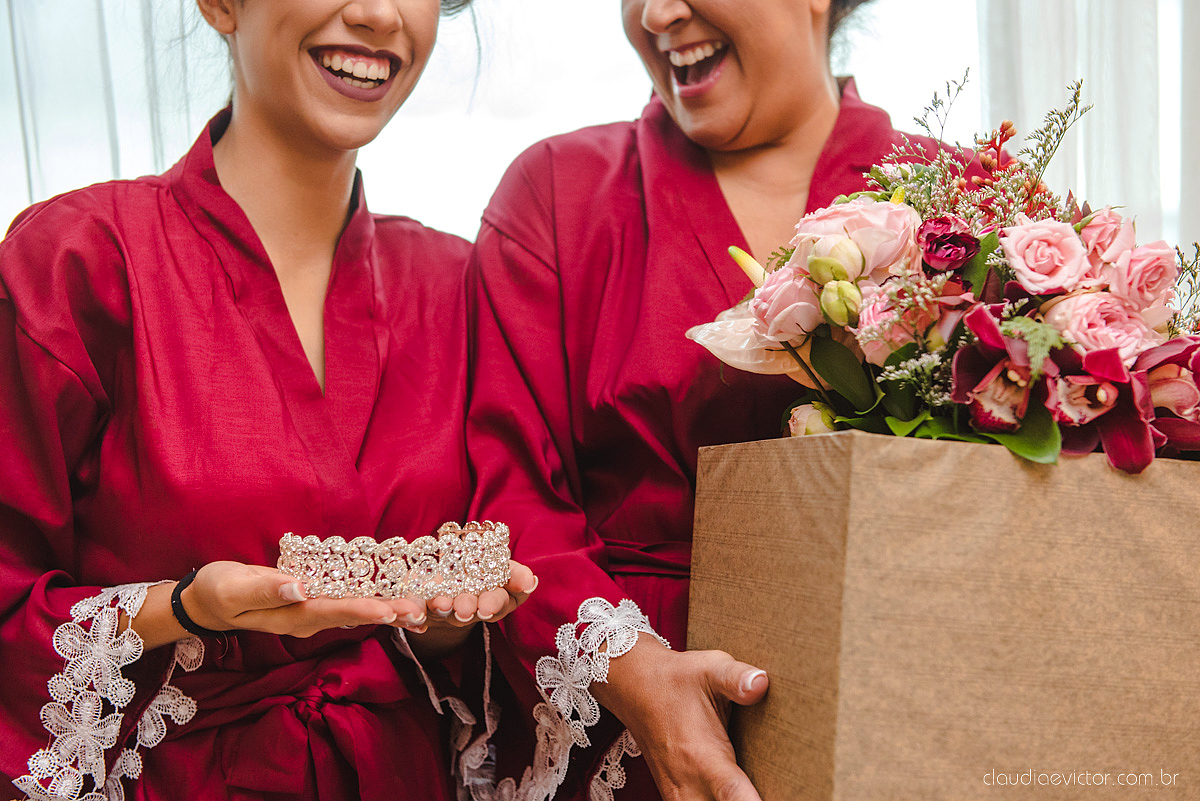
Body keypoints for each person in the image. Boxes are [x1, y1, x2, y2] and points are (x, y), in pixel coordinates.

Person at [0, 1, 536, 799]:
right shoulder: (76, 260)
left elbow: (497, 594)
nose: (378, 14)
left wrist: (451, 624)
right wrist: (184, 607)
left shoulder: (458, 283)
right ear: (220, 4)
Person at [462, 0, 983, 799]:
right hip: (623, 739)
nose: (657, 12)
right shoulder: (557, 196)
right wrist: (635, 672)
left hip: (902, 720)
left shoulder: (970, 208)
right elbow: (508, 495)